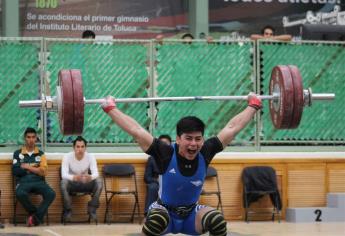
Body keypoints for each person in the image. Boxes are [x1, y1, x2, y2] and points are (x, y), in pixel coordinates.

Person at [101, 92, 262, 236]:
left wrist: (253, 105)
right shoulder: (165, 152)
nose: (194, 144)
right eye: (188, 138)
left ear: (203, 140)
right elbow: (136, 130)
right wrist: (110, 108)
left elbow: (232, 128)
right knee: (157, 218)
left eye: (198, 139)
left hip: (191, 217)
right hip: (164, 212)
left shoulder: (206, 151)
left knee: (216, 220)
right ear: (178, 139)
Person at [12, 127, 56, 227]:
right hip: (23, 182)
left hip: (38, 181)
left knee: (51, 194)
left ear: (36, 138)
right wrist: (36, 169)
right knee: (19, 193)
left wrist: (27, 167)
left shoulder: (41, 154)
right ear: (25, 138)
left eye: (33, 137)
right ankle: (36, 214)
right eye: (28, 137)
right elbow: (15, 171)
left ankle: (34, 218)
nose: (31, 140)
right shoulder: (17, 153)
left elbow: (44, 172)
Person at [60, 136, 103, 221]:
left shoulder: (90, 156)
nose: (80, 149)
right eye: (78, 147)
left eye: (82, 147)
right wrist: (74, 177)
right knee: (63, 183)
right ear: (74, 147)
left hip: (85, 182)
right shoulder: (67, 156)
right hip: (73, 183)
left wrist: (90, 177)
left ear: (85, 148)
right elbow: (63, 175)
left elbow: (96, 173)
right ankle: (68, 210)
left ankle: (92, 209)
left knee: (99, 181)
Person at [144, 134, 172, 216]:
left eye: (167, 143)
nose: (164, 146)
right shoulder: (152, 159)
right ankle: (148, 214)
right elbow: (147, 177)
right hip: (156, 182)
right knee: (152, 187)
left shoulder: (175, 159)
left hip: (171, 182)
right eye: (162, 143)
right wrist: (157, 181)